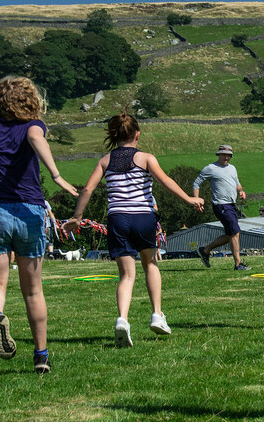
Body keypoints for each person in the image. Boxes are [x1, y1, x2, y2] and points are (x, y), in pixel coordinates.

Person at [63, 111, 204, 347]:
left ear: (114, 135)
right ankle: (157, 314)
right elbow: (165, 181)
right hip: (143, 217)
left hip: (118, 219)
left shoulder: (104, 161)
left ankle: (122, 320)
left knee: (126, 275)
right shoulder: (146, 158)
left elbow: (87, 190)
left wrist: (77, 218)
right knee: (150, 263)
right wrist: (189, 199)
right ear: (137, 134)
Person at [0, 76, 78, 374]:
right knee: (32, 290)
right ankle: (41, 355)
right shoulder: (33, 125)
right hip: (29, 213)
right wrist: (57, 176)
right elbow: (35, 138)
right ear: (30, 100)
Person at [194, 145, 250, 270]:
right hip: (220, 205)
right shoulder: (211, 168)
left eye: (228, 155)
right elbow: (196, 183)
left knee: (231, 234)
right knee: (235, 232)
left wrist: (241, 191)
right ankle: (238, 264)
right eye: (223, 154)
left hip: (231, 204)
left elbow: (237, 184)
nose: (226, 157)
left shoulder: (232, 168)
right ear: (218, 154)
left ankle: (206, 250)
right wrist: (196, 200)